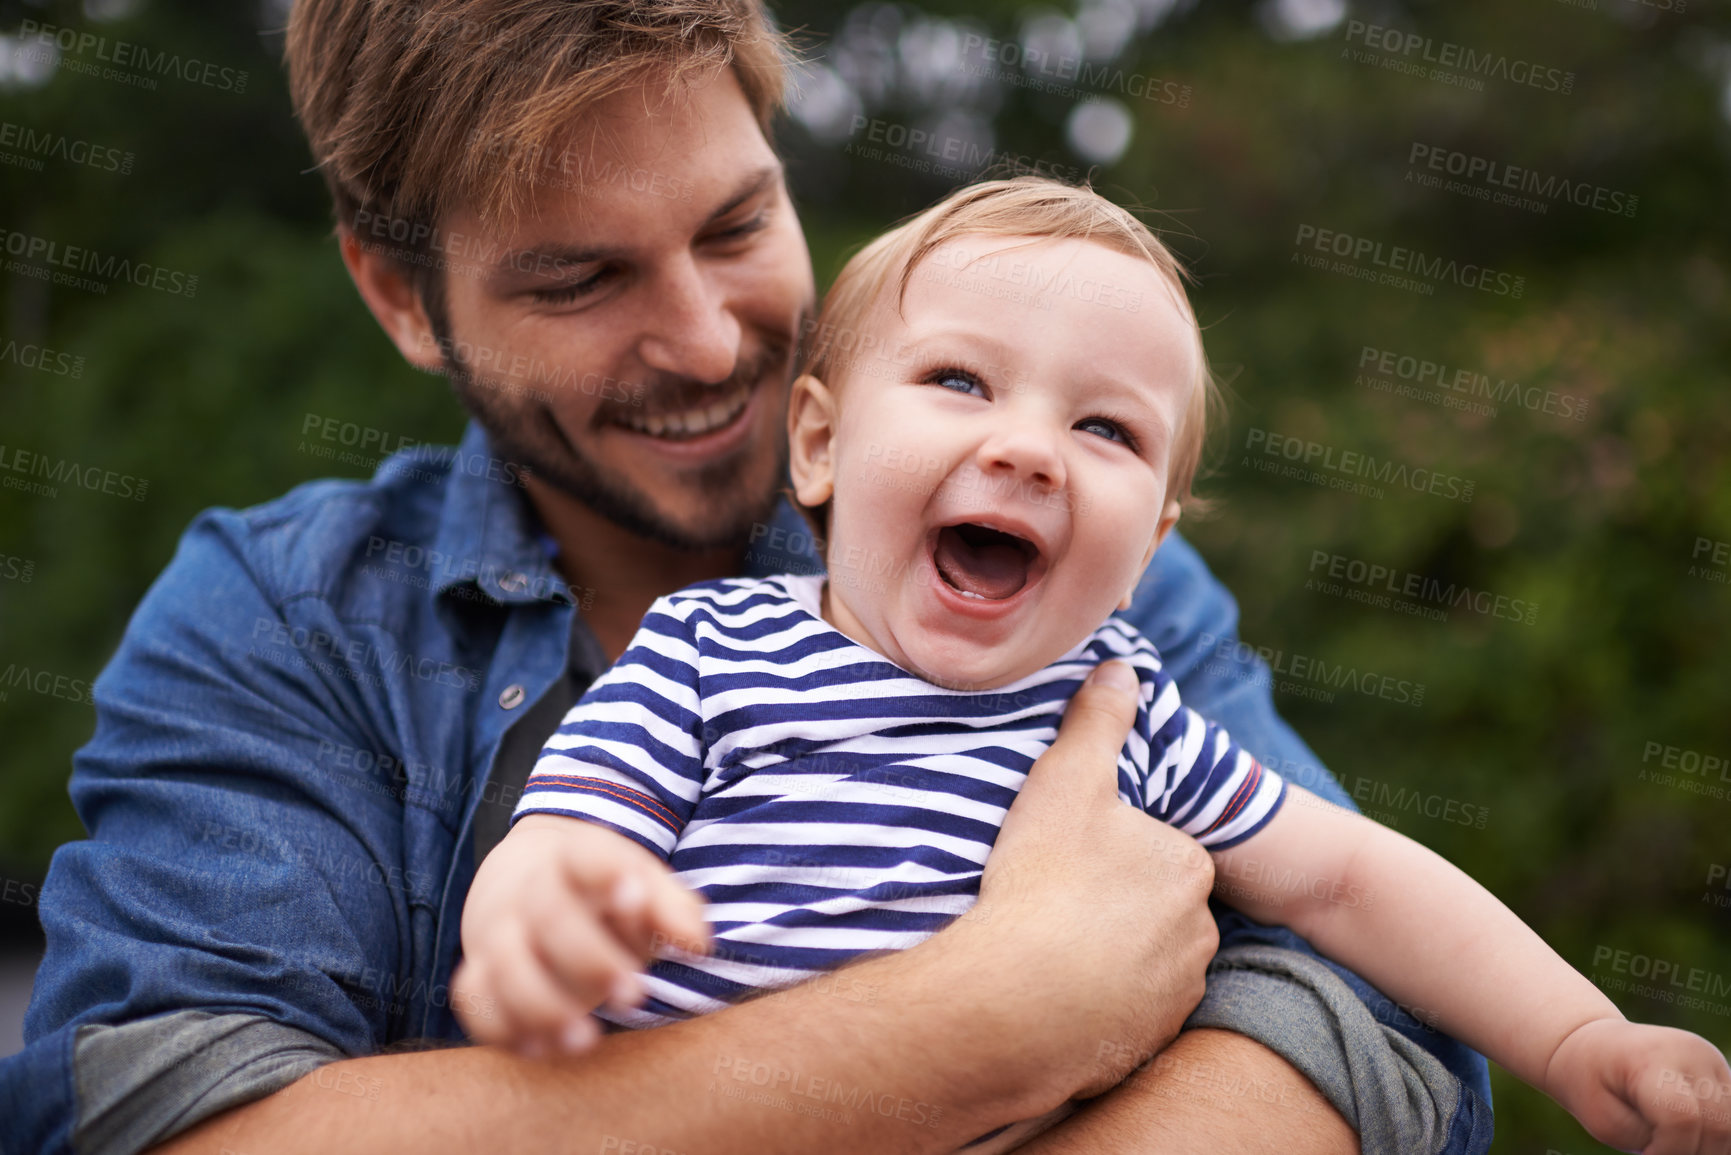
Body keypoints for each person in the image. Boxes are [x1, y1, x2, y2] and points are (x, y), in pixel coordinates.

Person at [0, 2, 1495, 1153]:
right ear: (402, 296)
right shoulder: (281, 619)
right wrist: (976, 1024)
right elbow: (163, 1120)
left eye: (734, 226)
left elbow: (1375, 1017)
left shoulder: (1049, 567)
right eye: (579, 278)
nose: (710, 341)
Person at [457, 177, 1731, 1155]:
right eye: (960, 380)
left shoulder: (1121, 710)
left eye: (1105, 428)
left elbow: (1345, 878)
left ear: (1150, 550)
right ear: (821, 446)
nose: (1026, 449)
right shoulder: (709, 650)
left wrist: (1576, 1034)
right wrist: (543, 921)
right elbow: (575, 834)